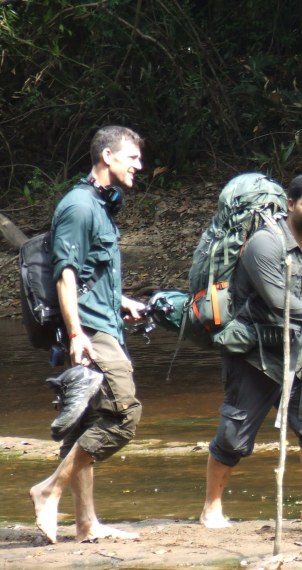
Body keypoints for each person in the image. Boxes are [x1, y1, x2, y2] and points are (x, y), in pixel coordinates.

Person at [200, 173, 302, 528]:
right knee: (234, 433)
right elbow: (278, 301)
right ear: (291, 205)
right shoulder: (265, 243)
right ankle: (211, 507)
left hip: (298, 352)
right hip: (255, 355)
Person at [29, 125, 146, 543]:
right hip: (91, 332)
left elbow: (91, 278)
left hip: (104, 321)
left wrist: (122, 301)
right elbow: (65, 275)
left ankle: (85, 523)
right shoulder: (79, 207)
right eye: (132, 158)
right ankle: (49, 489)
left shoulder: (101, 206)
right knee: (123, 416)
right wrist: (76, 333)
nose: (139, 166)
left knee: (89, 424)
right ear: (107, 157)